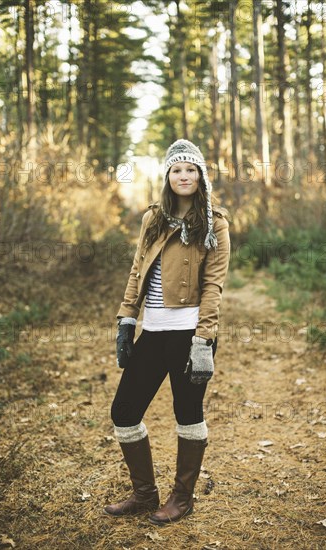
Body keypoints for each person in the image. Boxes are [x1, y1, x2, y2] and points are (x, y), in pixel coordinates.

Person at [104, 139, 230, 525]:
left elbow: (214, 286)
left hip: (189, 334)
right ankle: (145, 494)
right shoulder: (153, 219)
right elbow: (137, 271)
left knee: (187, 413)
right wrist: (127, 319)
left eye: (191, 169)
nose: (184, 175)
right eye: (177, 169)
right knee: (124, 412)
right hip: (153, 331)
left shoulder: (214, 223)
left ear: (201, 176)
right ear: (168, 176)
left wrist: (203, 340)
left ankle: (182, 497)